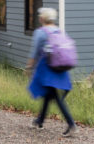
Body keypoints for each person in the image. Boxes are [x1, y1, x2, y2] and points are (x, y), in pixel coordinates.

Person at [26, 7, 77, 136]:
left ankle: (71, 125)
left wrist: (29, 67)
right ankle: (39, 121)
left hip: (47, 68)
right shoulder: (59, 31)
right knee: (48, 94)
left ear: (42, 18)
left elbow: (35, 52)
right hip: (60, 68)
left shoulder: (41, 32)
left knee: (54, 95)